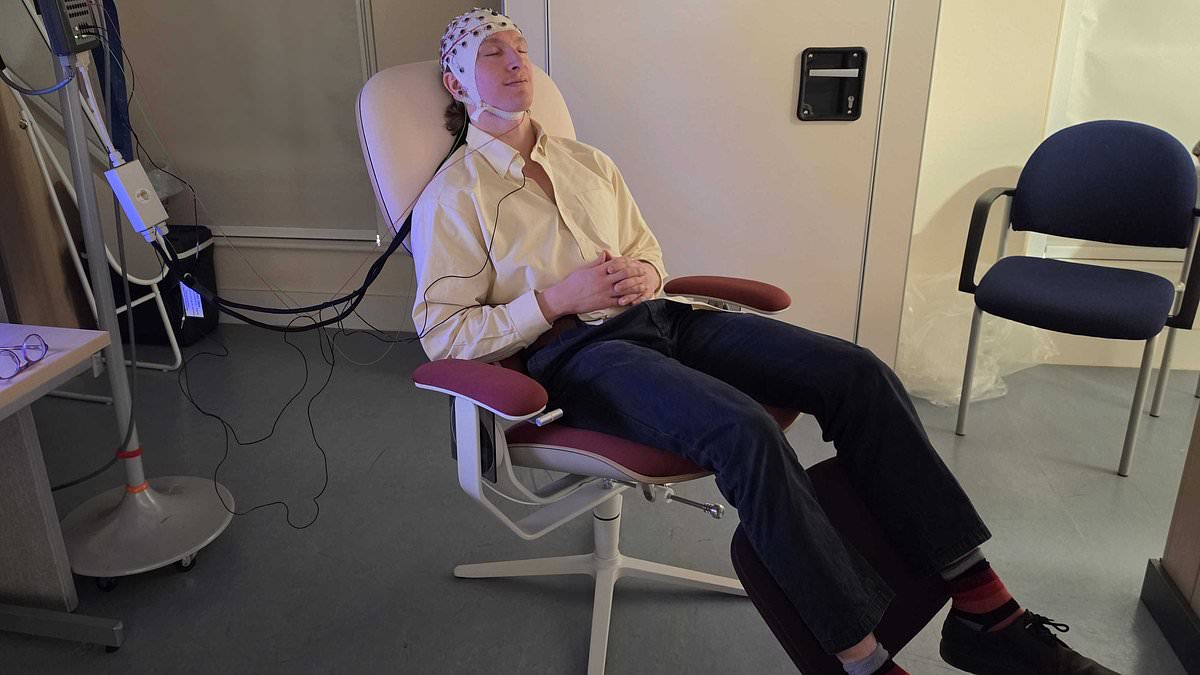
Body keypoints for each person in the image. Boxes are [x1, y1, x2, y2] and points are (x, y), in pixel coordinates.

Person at [411, 9, 1120, 675]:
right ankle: (863, 660)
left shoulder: (586, 162)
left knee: (857, 373)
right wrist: (556, 299)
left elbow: (647, 249)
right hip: (580, 355)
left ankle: (984, 609)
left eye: (521, 50)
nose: (517, 63)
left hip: (663, 318)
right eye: (493, 53)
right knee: (743, 429)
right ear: (457, 82)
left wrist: (645, 272)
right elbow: (445, 333)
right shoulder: (455, 195)